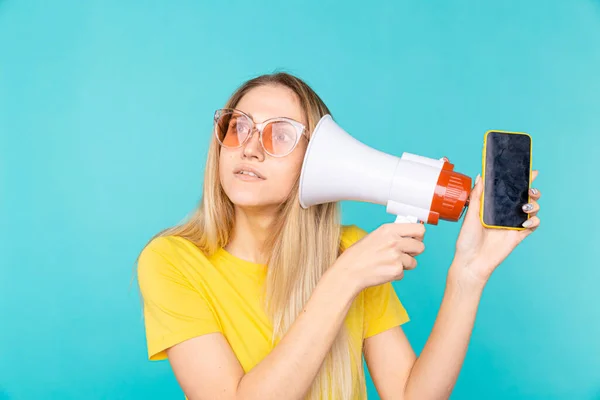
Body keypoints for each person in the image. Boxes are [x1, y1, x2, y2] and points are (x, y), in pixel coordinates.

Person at [136, 72, 542, 400]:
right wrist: (344, 278)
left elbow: (410, 395)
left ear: (313, 158)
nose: (250, 148)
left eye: (280, 135)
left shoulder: (350, 249)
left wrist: (468, 274)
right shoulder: (173, 261)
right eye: (237, 127)